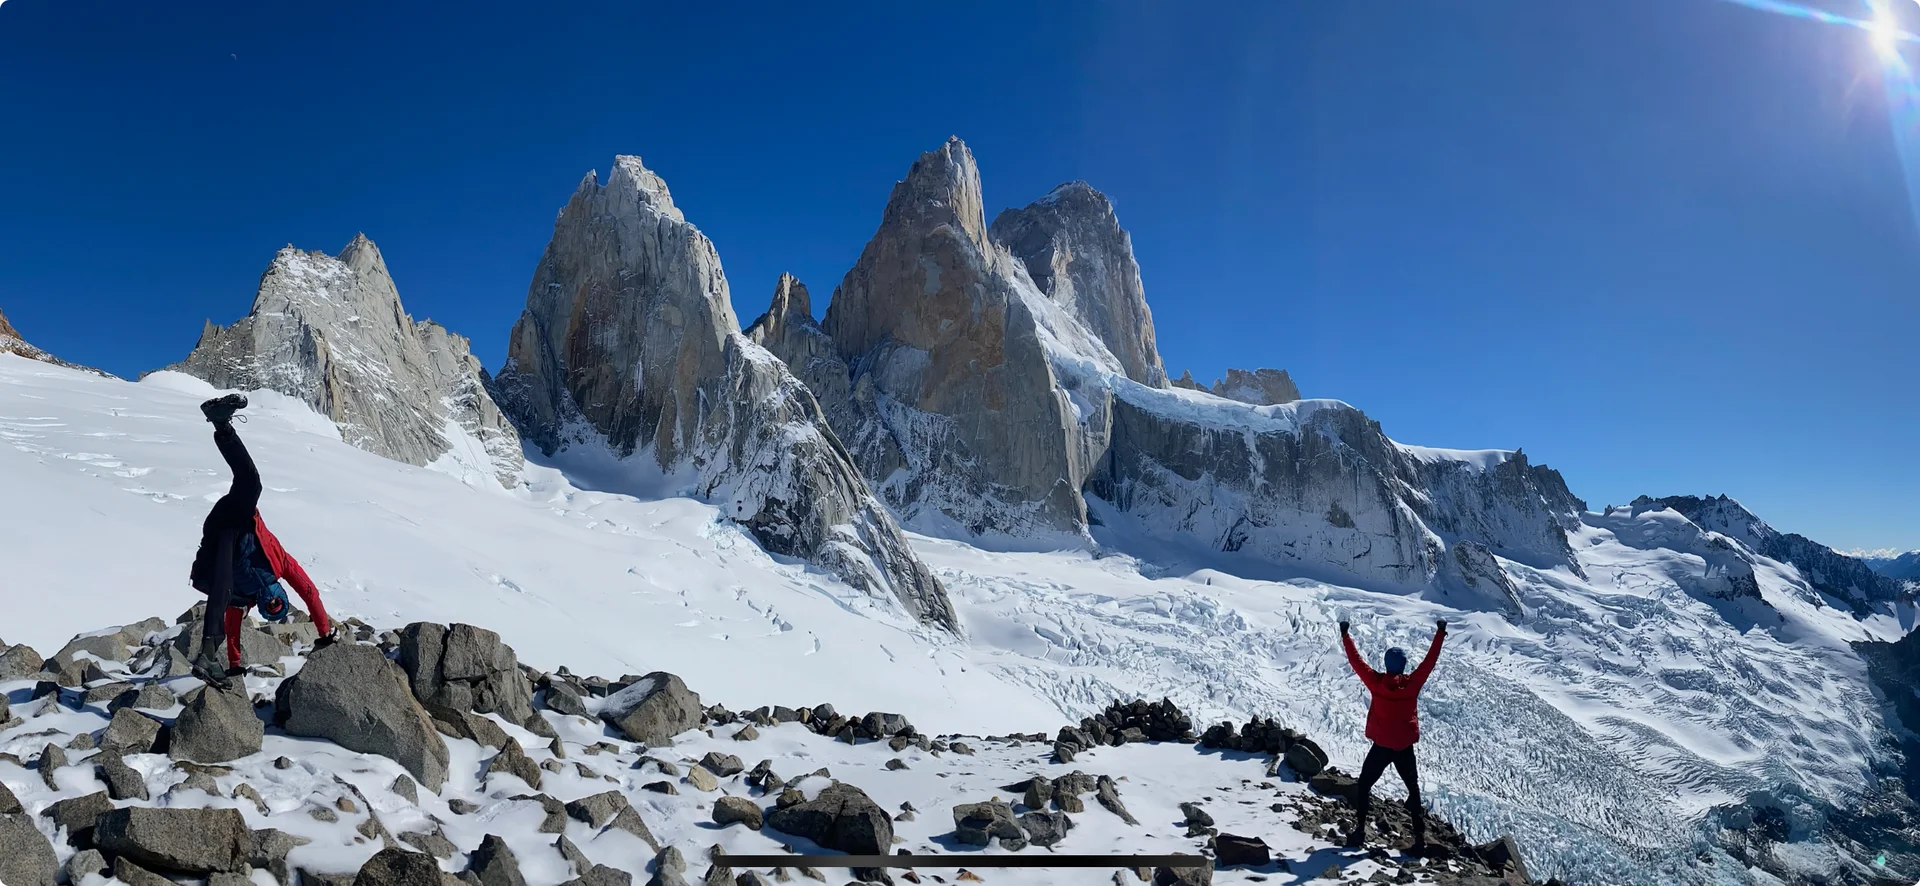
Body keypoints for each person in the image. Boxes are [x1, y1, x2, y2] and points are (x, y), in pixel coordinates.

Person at [188, 394, 334, 690]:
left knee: (222, 588)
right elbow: (309, 593)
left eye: (272, 606)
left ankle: (207, 656)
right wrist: (324, 634)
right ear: (280, 592)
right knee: (250, 481)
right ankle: (221, 424)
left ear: (264, 608)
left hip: (222, 534)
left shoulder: (243, 597)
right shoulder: (279, 565)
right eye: (279, 600)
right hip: (238, 521)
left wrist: (234, 664)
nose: (272, 599)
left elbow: (233, 627)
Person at [1338, 616, 1447, 851]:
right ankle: (1419, 840)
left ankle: (1359, 832)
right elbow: (1430, 661)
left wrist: (1345, 635)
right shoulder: (1412, 684)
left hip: (1382, 747)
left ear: (1387, 664)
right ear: (1404, 666)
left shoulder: (1376, 683)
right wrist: (1440, 633)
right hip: (1404, 748)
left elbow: (1356, 662)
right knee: (1414, 790)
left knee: (1364, 785)